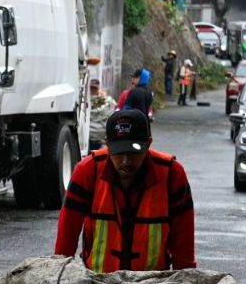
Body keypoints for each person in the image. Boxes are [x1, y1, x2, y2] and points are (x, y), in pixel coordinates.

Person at [53, 109, 196, 272]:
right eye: (119, 153)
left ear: (148, 143)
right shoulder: (87, 172)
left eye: (133, 153)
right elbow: (66, 239)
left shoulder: (171, 174)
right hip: (99, 281)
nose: (126, 161)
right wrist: (59, 276)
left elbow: (184, 247)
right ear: (107, 143)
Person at [87, 78, 116, 150]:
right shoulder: (108, 102)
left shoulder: (86, 103)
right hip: (98, 137)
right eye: (92, 88)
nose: (93, 90)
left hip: (92, 137)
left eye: (94, 88)